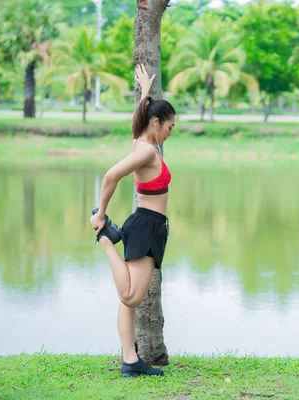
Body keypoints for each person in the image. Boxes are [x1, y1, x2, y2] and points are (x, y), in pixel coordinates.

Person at [90, 64, 176, 377]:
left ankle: (130, 360)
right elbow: (112, 174)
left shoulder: (141, 141)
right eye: (169, 126)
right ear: (156, 123)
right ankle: (105, 238)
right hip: (146, 225)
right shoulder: (147, 153)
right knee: (131, 295)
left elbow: (140, 123)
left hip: (150, 226)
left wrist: (145, 91)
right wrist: (100, 213)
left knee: (129, 303)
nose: (170, 132)